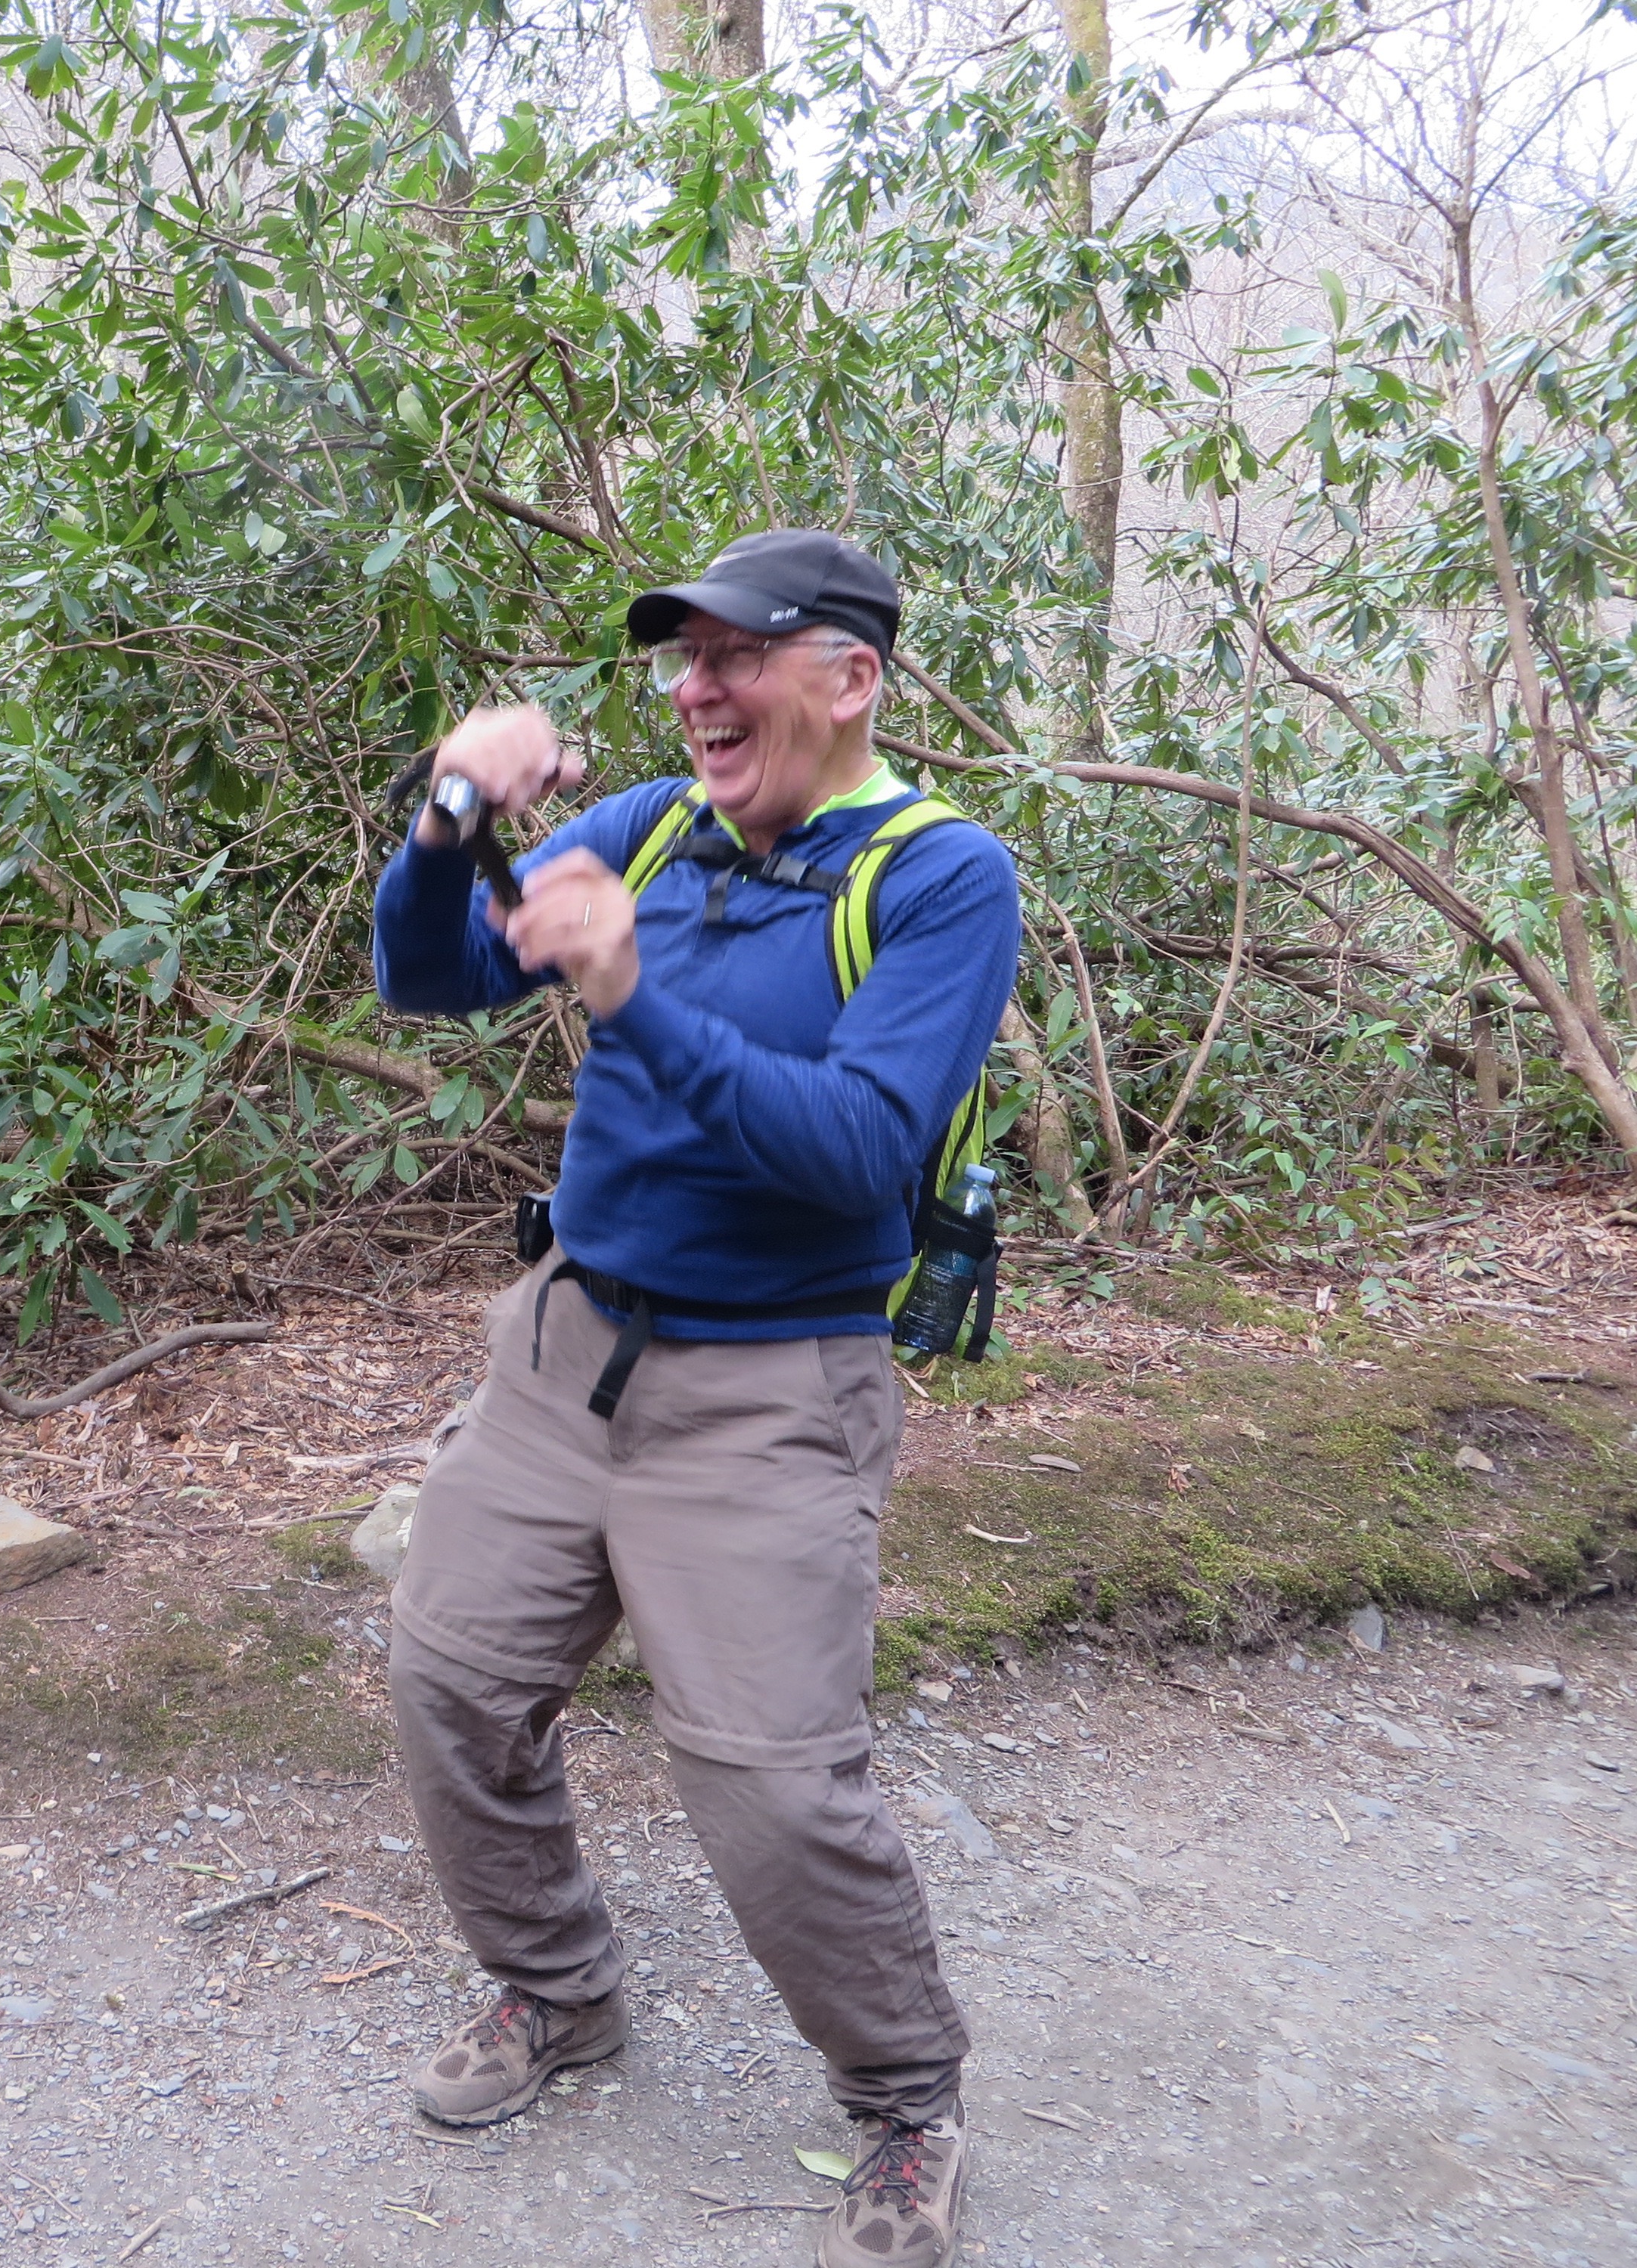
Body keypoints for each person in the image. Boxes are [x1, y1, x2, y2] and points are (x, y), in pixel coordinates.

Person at [368, 530, 1021, 2268]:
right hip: (564, 1350)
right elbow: (427, 975)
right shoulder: (650, 826)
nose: (693, 686)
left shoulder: (942, 878)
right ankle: (557, 1993)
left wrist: (627, 987)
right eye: (680, 658)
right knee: (449, 1681)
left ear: (846, 677)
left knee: (773, 1785)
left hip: (770, 1389)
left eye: (735, 654)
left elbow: (854, 1152)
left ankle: (901, 2099)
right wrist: (449, 813)